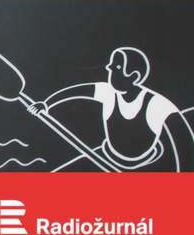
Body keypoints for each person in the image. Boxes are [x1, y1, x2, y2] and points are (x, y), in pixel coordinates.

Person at [30, 47, 194, 171]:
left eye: (117, 67)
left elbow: (185, 143)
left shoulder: (156, 104)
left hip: (146, 164)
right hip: (106, 157)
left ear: (134, 76)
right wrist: (46, 104)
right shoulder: (108, 92)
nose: (109, 69)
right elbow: (77, 91)